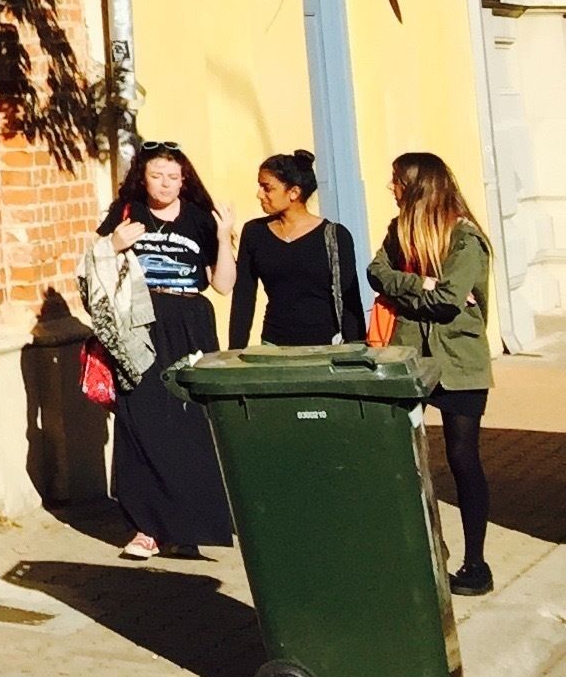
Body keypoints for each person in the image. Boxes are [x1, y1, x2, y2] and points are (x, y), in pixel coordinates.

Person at [91, 141, 234, 559]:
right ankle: (145, 528)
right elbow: (93, 265)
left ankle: (187, 526)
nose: (165, 184)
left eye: (173, 177)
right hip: (140, 323)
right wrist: (113, 244)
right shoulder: (126, 213)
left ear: (184, 179)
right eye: (157, 175)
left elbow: (223, 284)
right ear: (143, 176)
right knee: (141, 419)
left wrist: (224, 237)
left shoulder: (199, 219)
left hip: (190, 322)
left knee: (190, 423)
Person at [371, 150, 496, 595]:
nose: (391, 188)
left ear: (419, 185)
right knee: (404, 458)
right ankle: (427, 552)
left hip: (461, 364)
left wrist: (418, 289)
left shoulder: (466, 238)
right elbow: (375, 272)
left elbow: (447, 300)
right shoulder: (399, 230)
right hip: (410, 359)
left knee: (463, 459)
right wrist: (417, 283)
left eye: (396, 180)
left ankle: (476, 564)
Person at [229, 148, 366, 348]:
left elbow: (350, 300)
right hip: (274, 347)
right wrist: (235, 351)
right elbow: (244, 297)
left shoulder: (335, 236)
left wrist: (356, 353)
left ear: (294, 192)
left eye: (267, 188)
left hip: (325, 349)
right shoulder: (254, 233)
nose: (259, 194)